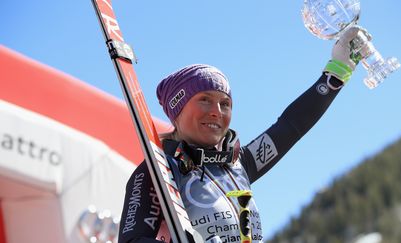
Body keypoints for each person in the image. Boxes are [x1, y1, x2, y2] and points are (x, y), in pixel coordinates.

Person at [118, 26, 370, 243]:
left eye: (225, 104)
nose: (217, 112)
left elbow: (291, 126)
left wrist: (336, 73)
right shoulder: (156, 171)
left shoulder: (240, 164)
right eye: (204, 100)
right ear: (178, 109)